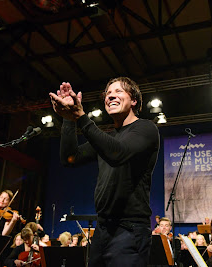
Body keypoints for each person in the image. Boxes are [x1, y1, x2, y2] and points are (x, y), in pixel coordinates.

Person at [50, 77, 160, 267]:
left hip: (129, 230)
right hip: (102, 231)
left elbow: (118, 153)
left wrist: (82, 117)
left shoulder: (146, 128)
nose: (111, 96)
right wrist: (68, 120)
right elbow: (70, 158)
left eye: (118, 91)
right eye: (108, 93)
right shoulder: (108, 140)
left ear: (134, 100)